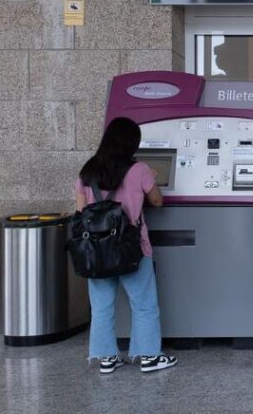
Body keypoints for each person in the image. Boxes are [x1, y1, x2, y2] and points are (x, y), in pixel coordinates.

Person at [74, 117, 176, 375]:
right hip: (132, 246)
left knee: (101, 307)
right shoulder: (139, 169)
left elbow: (80, 211)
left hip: (96, 250)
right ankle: (149, 356)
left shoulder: (87, 172)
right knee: (143, 304)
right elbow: (157, 201)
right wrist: (152, 176)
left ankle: (107, 358)